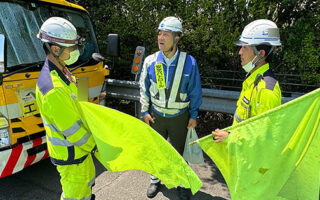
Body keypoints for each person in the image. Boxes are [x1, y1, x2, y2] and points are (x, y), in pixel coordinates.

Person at [139, 16, 202, 200]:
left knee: (180, 153)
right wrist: (144, 111)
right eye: (159, 33)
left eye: (166, 34)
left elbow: (195, 91)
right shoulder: (151, 61)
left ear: (177, 38)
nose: (161, 37)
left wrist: (194, 115)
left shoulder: (189, 62)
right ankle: (155, 180)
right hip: (156, 116)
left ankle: (182, 183)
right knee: (156, 151)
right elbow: (144, 88)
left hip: (179, 117)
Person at [35, 17, 96, 200]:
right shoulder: (52, 90)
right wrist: (97, 145)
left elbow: (76, 95)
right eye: (72, 48)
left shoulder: (63, 70)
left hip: (79, 154)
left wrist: (93, 103)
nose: (75, 52)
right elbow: (74, 131)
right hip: (73, 155)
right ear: (56, 49)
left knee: (84, 192)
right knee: (74, 196)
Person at [213, 19, 282, 142]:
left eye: (245, 47)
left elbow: (263, 137)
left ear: (260, 53)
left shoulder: (266, 90)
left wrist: (230, 138)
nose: (240, 52)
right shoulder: (252, 79)